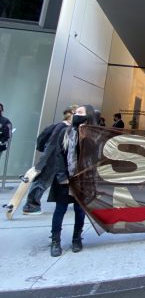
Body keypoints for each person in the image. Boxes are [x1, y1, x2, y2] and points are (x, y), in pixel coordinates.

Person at [48, 104, 98, 257]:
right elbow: (58, 155)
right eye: (75, 112)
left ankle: (77, 238)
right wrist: (62, 176)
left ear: (88, 116)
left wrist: (84, 139)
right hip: (65, 178)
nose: (76, 114)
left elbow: (94, 158)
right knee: (60, 209)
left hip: (82, 179)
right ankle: (55, 240)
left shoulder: (93, 136)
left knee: (79, 209)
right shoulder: (65, 132)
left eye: (80, 112)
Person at [23, 106, 75, 214]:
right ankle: (31, 206)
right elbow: (51, 145)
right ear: (72, 113)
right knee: (42, 182)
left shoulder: (63, 126)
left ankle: (31, 205)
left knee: (44, 181)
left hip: (54, 159)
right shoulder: (62, 127)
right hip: (52, 159)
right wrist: (42, 162)